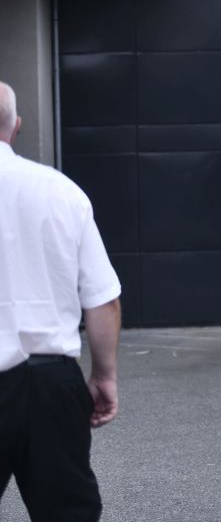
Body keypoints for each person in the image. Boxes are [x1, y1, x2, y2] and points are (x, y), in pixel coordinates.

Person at [0, 81, 122, 521]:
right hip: (51, 384)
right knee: (67, 513)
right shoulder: (61, 192)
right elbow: (102, 298)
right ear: (16, 126)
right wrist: (104, 376)